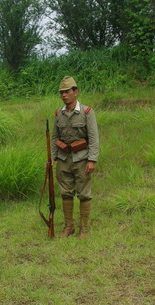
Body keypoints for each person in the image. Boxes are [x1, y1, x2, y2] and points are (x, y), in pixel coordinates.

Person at [52, 76, 99, 240]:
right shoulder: (59, 114)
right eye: (61, 92)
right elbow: (54, 137)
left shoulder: (87, 112)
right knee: (65, 193)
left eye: (67, 92)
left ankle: (84, 228)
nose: (64, 95)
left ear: (75, 92)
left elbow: (93, 138)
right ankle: (69, 226)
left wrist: (92, 160)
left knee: (84, 194)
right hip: (64, 159)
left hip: (82, 159)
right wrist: (52, 157)